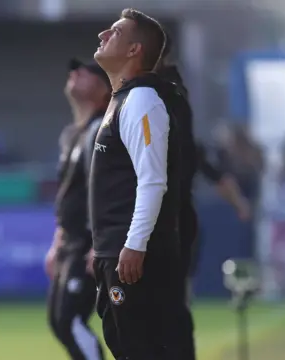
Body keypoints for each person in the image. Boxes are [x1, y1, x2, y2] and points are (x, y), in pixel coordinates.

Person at [85, 8, 185, 359]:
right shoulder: (121, 100)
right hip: (113, 253)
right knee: (125, 346)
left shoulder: (142, 101)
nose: (102, 35)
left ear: (134, 50)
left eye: (114, 31)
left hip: (133, 258)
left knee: (140, 349)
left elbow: (153, 181)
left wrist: (134, 244)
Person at [158, 46, 251, 360]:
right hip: (148, 226)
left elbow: (219, 177)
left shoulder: (187, 143)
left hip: (178, 225)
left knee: (177, 299)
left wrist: (239, 204)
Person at [45, 59, 110, 360]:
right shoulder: (73, 134)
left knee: (70, 320)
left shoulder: (104, 131)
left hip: (89, 241)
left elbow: (107, 191)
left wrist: (100, 242)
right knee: (59, 321)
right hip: (71, 242)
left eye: (85, 72)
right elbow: (69, 195)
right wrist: (58, 242)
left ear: (104, 89)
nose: (75, 73)